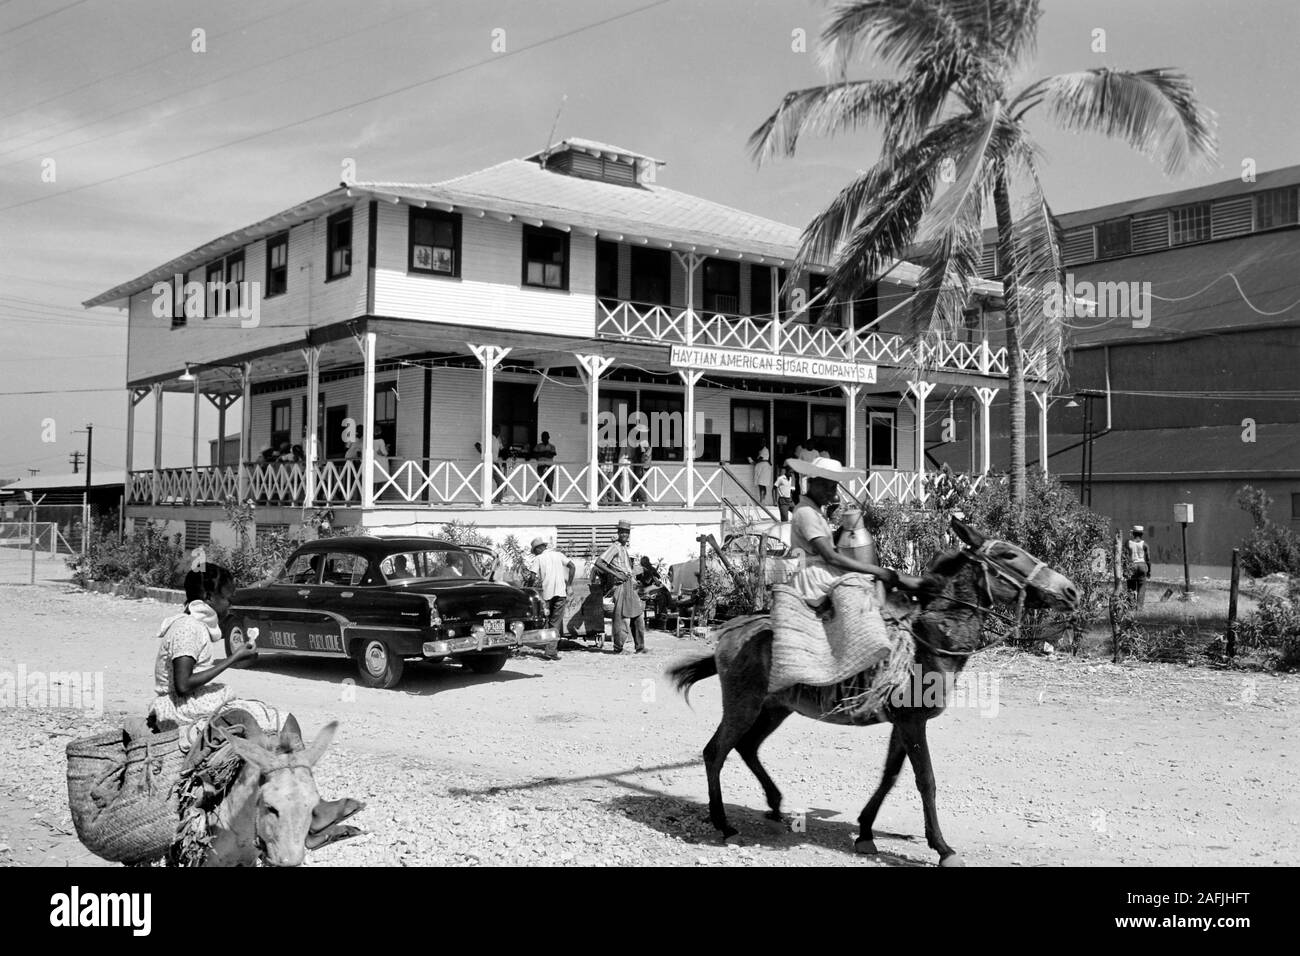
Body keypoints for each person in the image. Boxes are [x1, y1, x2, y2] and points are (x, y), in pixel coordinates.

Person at [147, 564, 259, 748]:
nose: (230, 605)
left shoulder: (195, 626)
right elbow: (183, 685)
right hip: (177, 706)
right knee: (249, 713)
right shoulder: (189, 628)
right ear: (208, 597)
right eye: (227, 599)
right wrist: (232, 659)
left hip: (184, 701)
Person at [785, 456, 922, 603]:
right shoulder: (806, 512)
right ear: (811, 483)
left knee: (894, 576)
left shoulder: (814, 510)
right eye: (825, 486)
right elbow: (830, 557)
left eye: (833, 487)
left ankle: (925, 585)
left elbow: (820, 543)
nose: (831, 492)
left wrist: (840, 532)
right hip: (815, 579)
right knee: (874, 588)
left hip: (824, 570)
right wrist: (877, 570)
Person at [593, 520, 646, 653]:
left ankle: (640, 647)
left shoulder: (623, 548)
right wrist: (615, 573)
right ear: (618, 533)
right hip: (621, 585)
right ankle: (618, 647)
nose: (624, 534)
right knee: (620, 617)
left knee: (637, 615)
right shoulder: (615, 547)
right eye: (622, 532)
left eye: (626, 532)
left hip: (629, 583)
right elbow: (599, 562)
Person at [526, 537, 575, 660]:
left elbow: (532, 576)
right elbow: (572, 566)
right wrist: (569, 584)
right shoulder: (558, 555)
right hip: (560, 593)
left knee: (547, 621)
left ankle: (549, 649)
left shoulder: (538, 558)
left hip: (547, 595)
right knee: (555, 622)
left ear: (538, 549)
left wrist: (528, 589)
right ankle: (551, 650)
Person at [1125, 524, 1152, 609]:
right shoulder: (1145, 544)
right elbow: (1148, 559)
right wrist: (1149, 571)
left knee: (1131, 587)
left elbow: (1124, 557)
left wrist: (1125, 569)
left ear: (1133, 533)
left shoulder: (1128, 543)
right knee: (1141, 588)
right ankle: (1139, 608)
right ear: (1141, 534)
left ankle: (1131, 606)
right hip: (1142, 565)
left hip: (1131, 565)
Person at [533, 431, 557, 505]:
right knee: (540, 484)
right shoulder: (538, 446)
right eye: (543, 437)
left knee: (550, 484)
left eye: (546, 437)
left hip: (550, 466)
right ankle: (540, 500)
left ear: (548, 437)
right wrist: (545, 453)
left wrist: (542, 454)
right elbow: (535, 455)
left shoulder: (552, 446)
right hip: (541, 466)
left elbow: (552, 455)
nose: (544, 438)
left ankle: (548, 501)